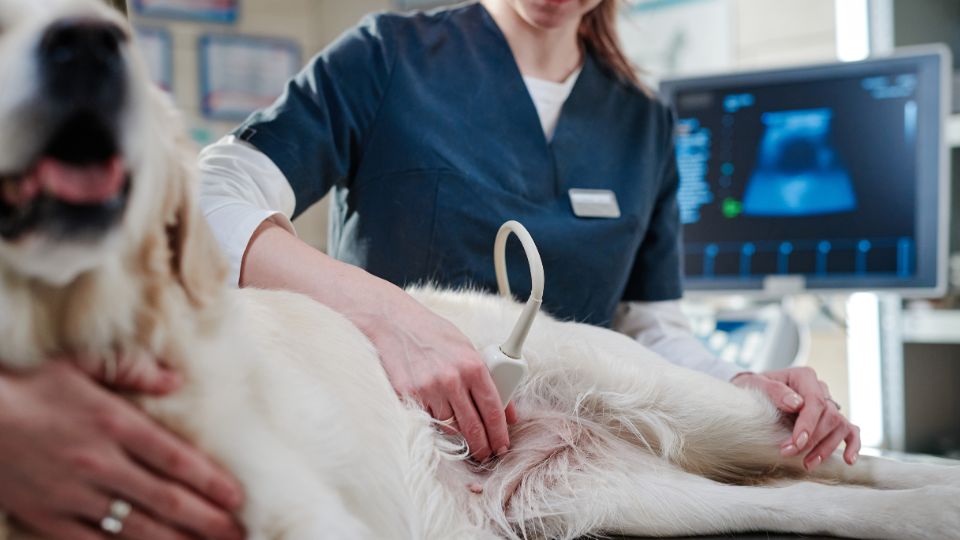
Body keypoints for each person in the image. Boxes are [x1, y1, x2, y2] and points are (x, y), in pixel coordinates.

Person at [198, 0, 860, 470]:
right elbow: (208, 196)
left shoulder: (642, 121)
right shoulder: (385, 59)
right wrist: (389, 318)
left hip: (569, 471)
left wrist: (740, 384)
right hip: (389, 455)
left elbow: (651, 330)